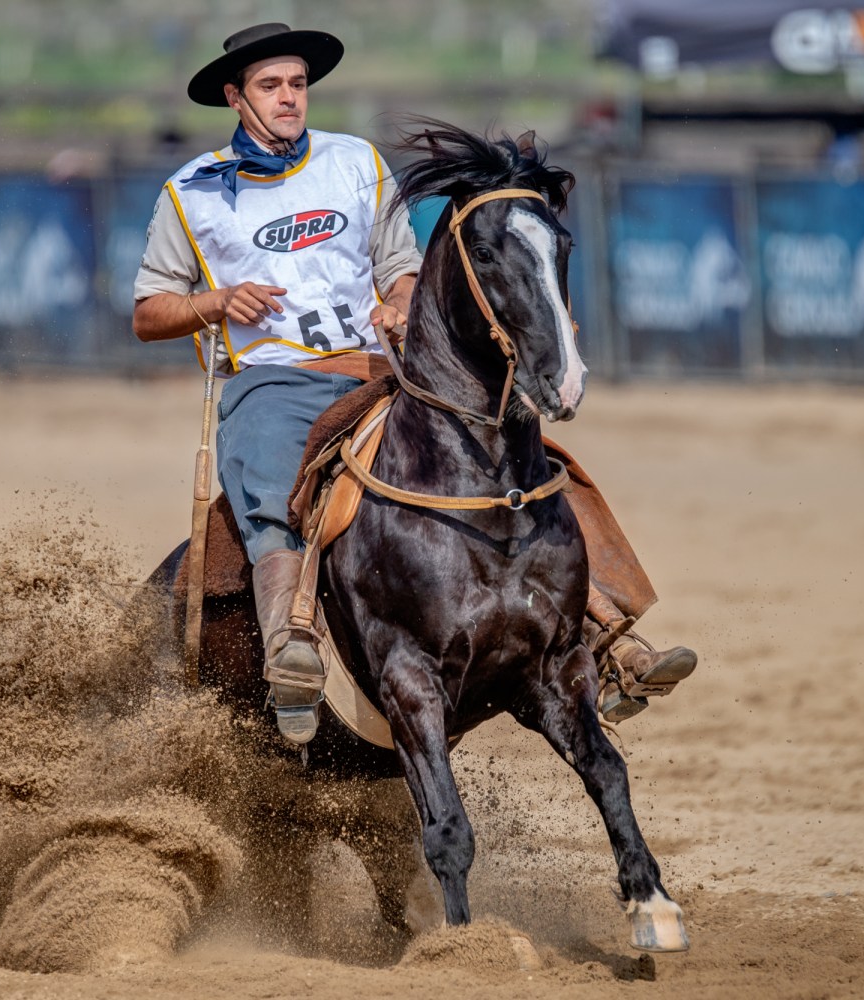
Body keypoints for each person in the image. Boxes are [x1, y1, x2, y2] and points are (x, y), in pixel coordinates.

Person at [134, 23, 696, 743]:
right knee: (274, 487)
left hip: (379, 369)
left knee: (524, 455)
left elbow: (399, 265)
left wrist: (399, 302)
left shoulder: (356, 161)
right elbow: (150, 312)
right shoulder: (191, 193)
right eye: (270, 87)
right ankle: (290, 651)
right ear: (234, 98)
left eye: (297, 85)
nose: (288, 99)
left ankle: (609, 636)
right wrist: (212, 304)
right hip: (271, 378)